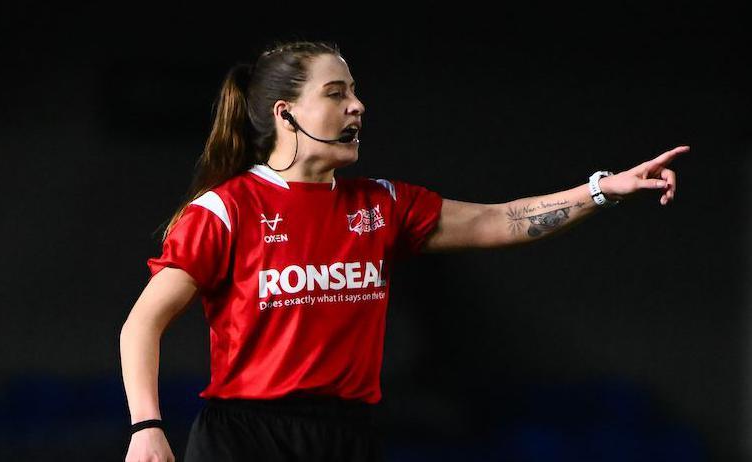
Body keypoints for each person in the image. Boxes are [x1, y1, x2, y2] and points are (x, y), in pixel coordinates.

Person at [119, 40, 687, 462]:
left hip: (348, 437)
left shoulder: (385, 205)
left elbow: (502, 221)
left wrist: (599, 191)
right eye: (336, 94)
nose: (358, 106)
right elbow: (141, 325)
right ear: (284, 113)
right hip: (245, 440)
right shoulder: (226, 210)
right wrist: (147, 426)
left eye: (355, 92)